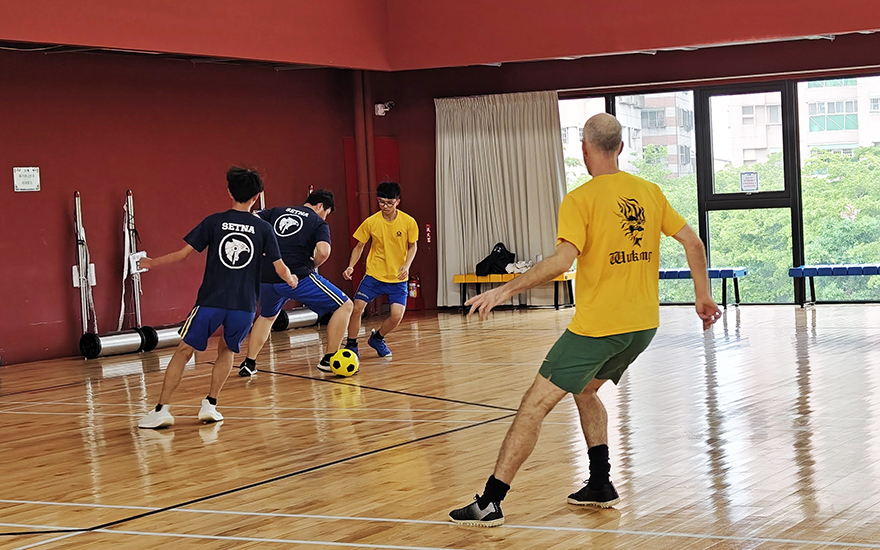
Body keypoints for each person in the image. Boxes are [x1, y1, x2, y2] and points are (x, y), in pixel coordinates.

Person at [448, 113, 722, 527]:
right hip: (642, 327)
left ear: (584, 148)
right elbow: (693, 242)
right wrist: (702, 295)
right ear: (621, 147)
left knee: (533, 405)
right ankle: (599, 484)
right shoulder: (649, 192)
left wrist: (505, 290)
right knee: (586, 390)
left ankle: (490, 502)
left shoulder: (580, 199)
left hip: (598, 329)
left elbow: (562, 261)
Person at [137, 167, 297, 429]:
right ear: (257, 196)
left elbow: (182, 255)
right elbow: (280, 267)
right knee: (228, 350)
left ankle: (161, 410)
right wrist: (291, 279)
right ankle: (210, 404)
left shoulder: (214, 222)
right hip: (244, 306)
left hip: (210, 302)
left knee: (184, 350)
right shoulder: (264, 228)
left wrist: (151, 263)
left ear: (229, 192)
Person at [237, 189, 354, 376]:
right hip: (296, 276)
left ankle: (249, 363)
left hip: (266, 276)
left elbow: (251, 218)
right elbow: (324, 251)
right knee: (345, 305)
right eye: (327, 213)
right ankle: (329, 358)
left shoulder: (277, 211)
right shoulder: (318, 222)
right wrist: (313, 265)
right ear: (321, 206)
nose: (325, 217)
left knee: (267, 316)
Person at [342, 181, 418, 358]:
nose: (385, 206)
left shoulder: (408, 222)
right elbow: (359, 246)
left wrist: (406, 265)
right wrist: (350, 266)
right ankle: (351, 344)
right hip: (374, 275)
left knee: (396, 316)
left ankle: (377, 338)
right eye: (381, 202)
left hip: (397, 278)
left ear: (397, 201)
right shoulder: (371, 222)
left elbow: (413, 246)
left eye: (389, 203)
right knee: (357, 308)